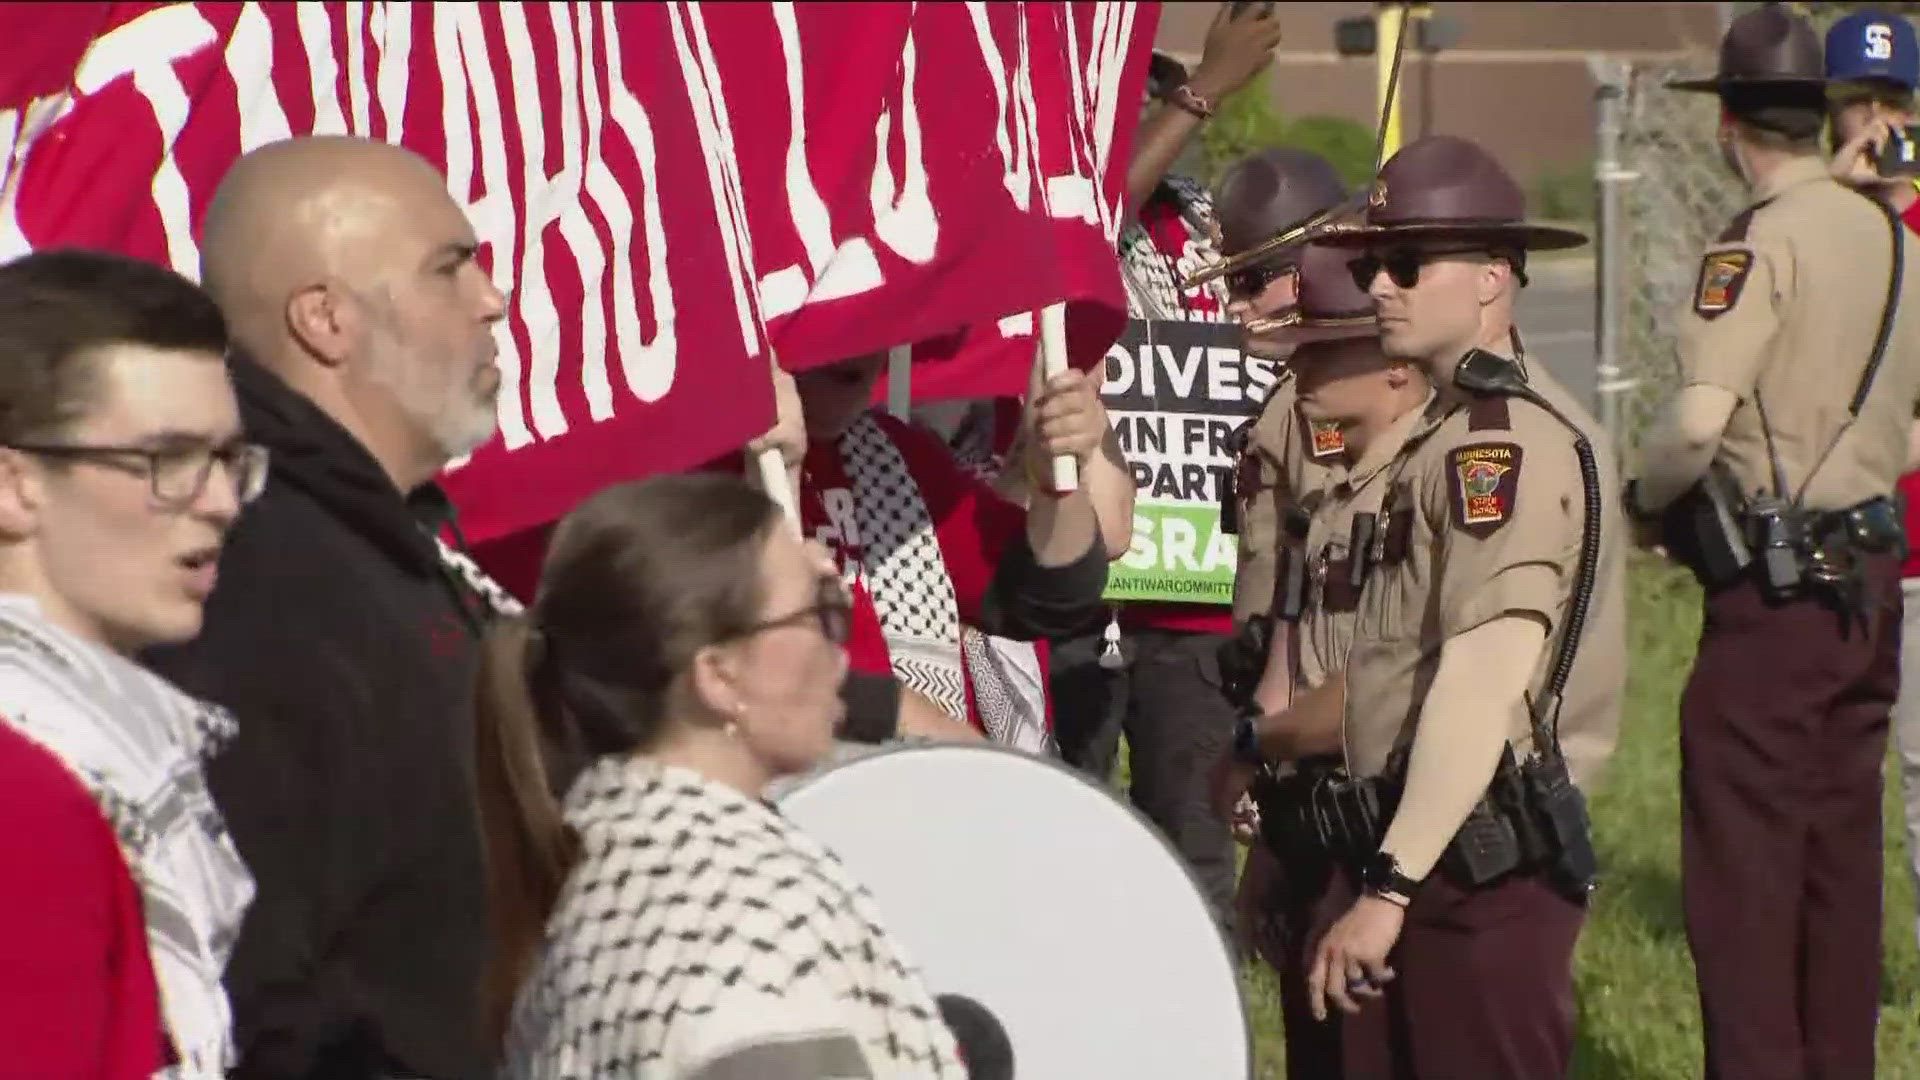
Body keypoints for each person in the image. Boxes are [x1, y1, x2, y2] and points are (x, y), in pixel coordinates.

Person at [143, 136, 510, 1079]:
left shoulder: (390, 550)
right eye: (450, 268)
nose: (491, 300)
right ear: (326, 319)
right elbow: (249, 974)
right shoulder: (250, 579)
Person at [1629, 8, 1920, 1077]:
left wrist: (1643, 498)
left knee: (1745, 874)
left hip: (1777, 592)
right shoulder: (1894, 239)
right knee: (1839, 863)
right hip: (1872, 580)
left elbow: (1699, 419)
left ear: (1728, 123)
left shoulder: (1759, 241)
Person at [1296, 134, 1614, 1077]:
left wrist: (1389, 890)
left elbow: (1481, 677)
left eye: (1403, 264)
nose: (1377, 287)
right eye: (1370, 266)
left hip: (1468, 876)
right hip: (1409, 851)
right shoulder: (1434, 434)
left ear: (1489, 277)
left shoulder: (1498, 447)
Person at [477, 473, 965, 1078]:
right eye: (821, 613)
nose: (841, 651)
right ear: (719, 677)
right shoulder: (744, 920)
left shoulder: (607, 858)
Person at [0, 249, 259, 1075]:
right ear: (13, 484)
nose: (218, 501)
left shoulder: (110, 750)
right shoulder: (26, 798)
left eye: (227, 460)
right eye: (166, 460)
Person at [1213, 241, 1434, 1074]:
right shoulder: (1333, 500)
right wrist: (1273, 843)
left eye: (1322, 356)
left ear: (1394, 367)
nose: (1298, 379)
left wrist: (1249, 749)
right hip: (1320, 828)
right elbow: (1295, 660)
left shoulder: (1435, 489)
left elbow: (1379, 692)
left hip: (1403, 844)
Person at [782, 353, 1119, 747]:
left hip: (914, 785)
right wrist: (940, 739)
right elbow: (754, 657)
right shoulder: (701, 457)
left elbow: (1047, 597)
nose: (854, 345)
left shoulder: (897, 455)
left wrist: (1055, 482)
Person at [1826, 6, 1920, 955]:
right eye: (1857, 102)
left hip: (1919, 545)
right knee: (1833, 774)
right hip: (1830, 550)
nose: (1877, 124)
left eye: (1893, 102)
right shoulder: (1814, 226)